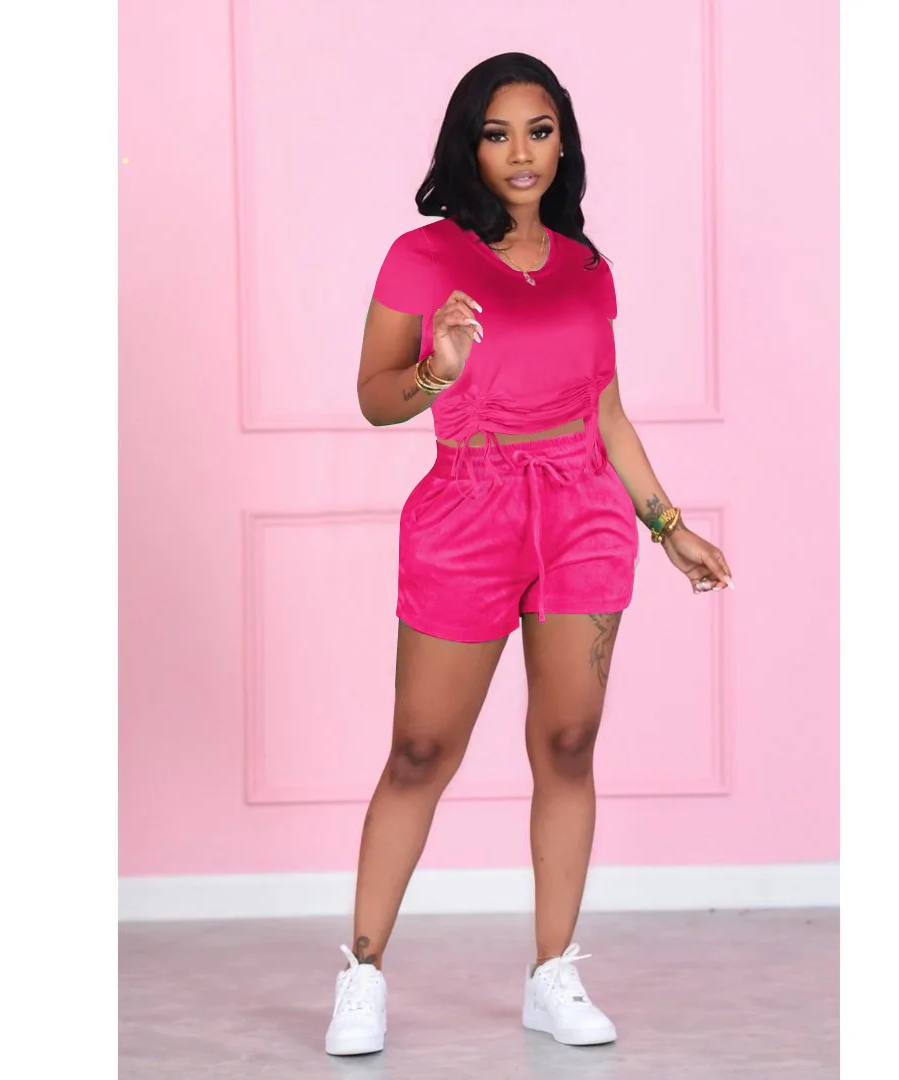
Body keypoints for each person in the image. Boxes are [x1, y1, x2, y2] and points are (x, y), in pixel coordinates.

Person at [325, 52, 733, 1057]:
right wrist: (437, 370)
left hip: (582, 510)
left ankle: (553, 975)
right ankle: (362, 975)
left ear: (563, 142)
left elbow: (607, 411)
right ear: (469, 146)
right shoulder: (423, 257)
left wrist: (666, 524)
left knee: (568, 744)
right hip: (468, 507)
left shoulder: (587, 266)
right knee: (421, 750)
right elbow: (374, 398)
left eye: (539, 131)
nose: (521, 152)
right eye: (498, 133)